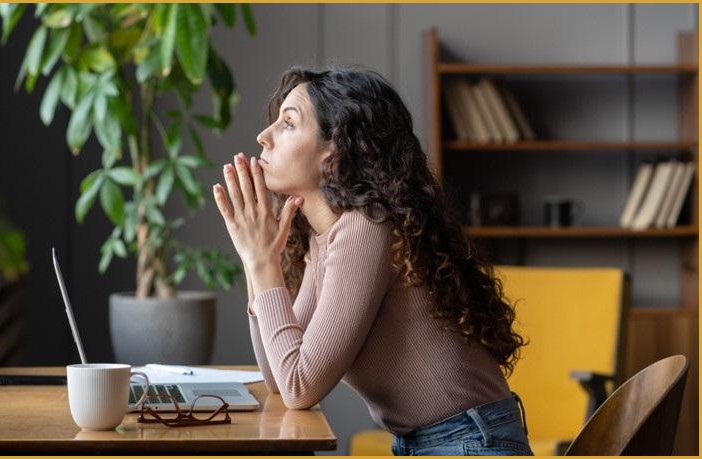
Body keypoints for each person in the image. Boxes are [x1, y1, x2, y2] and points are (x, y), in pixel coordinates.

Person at [212, 65, 533, 456]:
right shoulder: (328, 238)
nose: (264, 137)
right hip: (444, 441)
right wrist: (256, 259)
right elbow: (280, 378)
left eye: (289, 124)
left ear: (335, 149)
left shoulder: (367, 228)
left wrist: (263, 263)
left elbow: (299, 385)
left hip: (470, 443)